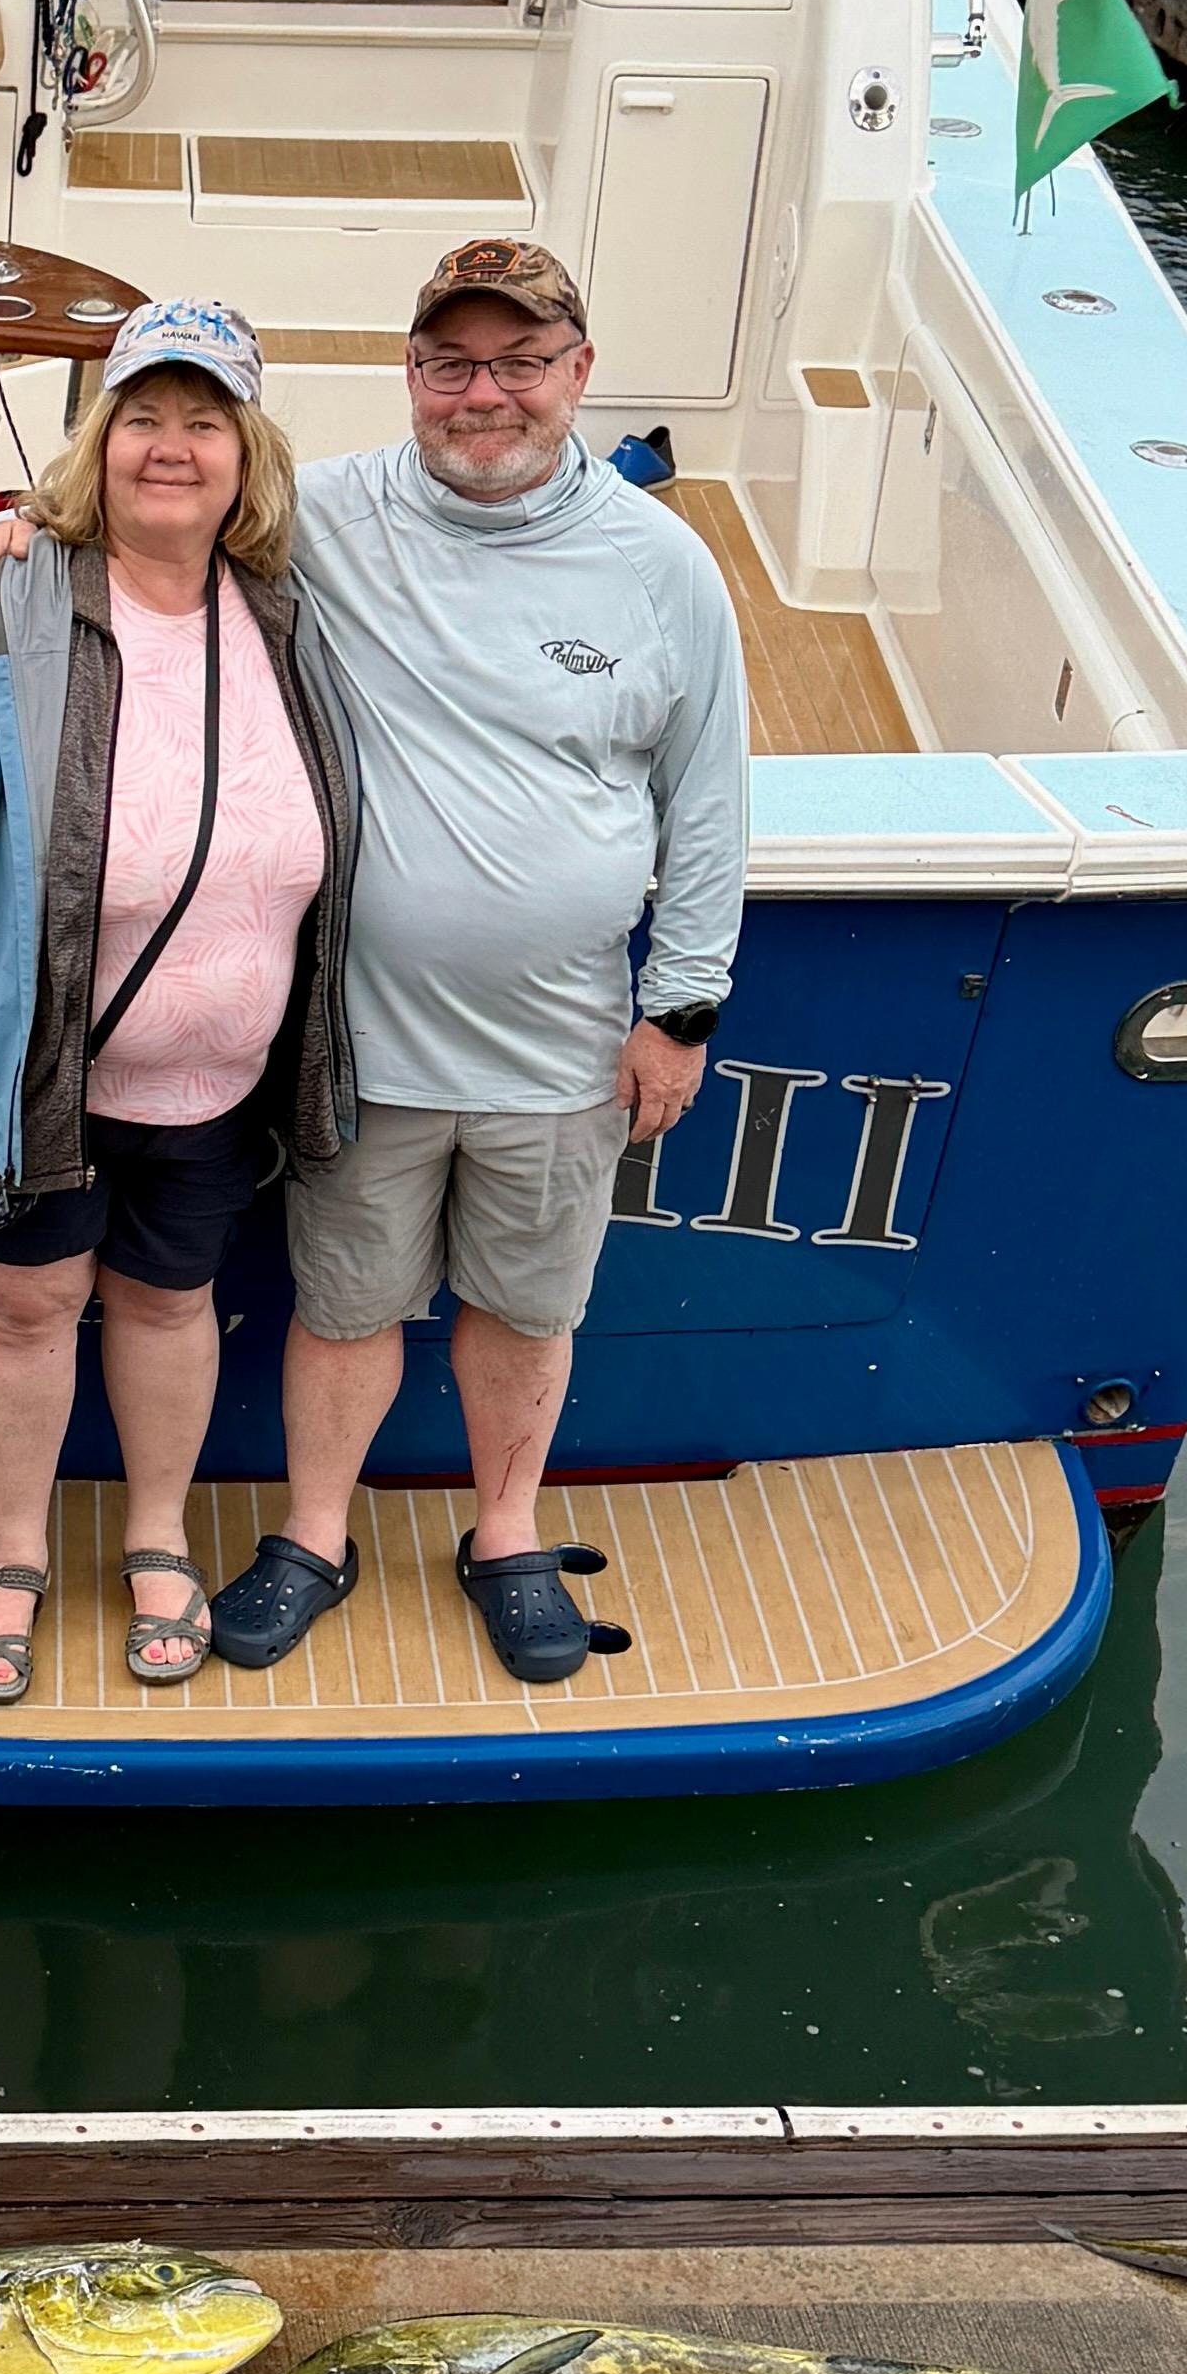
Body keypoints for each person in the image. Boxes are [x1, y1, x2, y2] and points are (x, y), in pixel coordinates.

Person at [201, 231, 746, 1680]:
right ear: (409, 374)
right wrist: (5, 531)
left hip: (564, 1044)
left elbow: (707, 803)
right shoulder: (319, 515)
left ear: (579, 371)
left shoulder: (664, 566)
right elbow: (144, 509)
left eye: (519, 363)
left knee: (525, 1309)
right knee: (344, 1306)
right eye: (452, 365)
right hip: (363, 1036)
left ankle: (506, 1532)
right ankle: (315, 1534)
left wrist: (683, 1010)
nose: (484, 394)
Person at [0, 300, 358, 1701]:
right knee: (22, 1312)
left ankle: (156, 1537)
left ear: (248, 454)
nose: (171, 447)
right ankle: (13, 1551)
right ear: (100, 443)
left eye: (205, 421)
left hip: (215, 1080)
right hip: (36, 1070)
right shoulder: (2, 611)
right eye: (143, 416)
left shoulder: (290, 609)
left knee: (168, 1306)